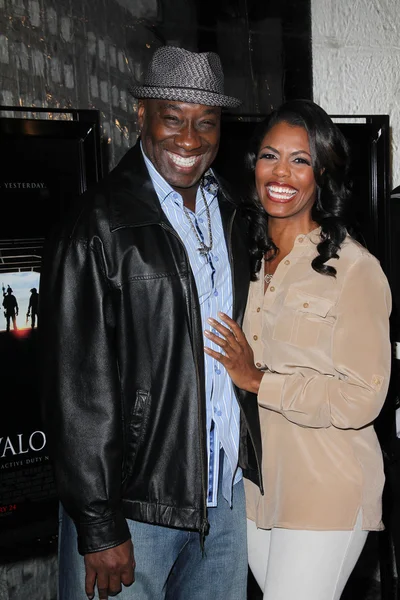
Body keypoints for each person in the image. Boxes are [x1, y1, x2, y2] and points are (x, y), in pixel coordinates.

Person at [39, 46, 262, 600]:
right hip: (135, 507)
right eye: (173, 118)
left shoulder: (230, 211)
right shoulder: (97, 224)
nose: (189, 139)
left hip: (225, 500)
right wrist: (98, 524)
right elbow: (75, 387)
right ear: (142, 115)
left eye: (205, 122)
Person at [204, 99, 392, 600]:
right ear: (254, 165)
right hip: (258, 492)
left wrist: (260, 380)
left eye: (300, 159)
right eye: (270, 156)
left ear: (321, 174)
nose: (281, 172)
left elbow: (362, 399)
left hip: (326, 489)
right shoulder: (241, 260)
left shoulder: (355, 270)